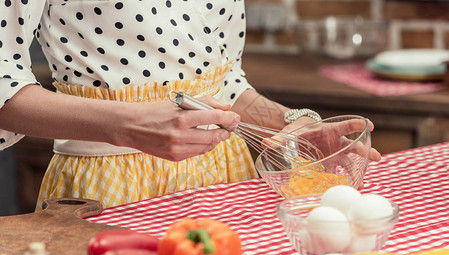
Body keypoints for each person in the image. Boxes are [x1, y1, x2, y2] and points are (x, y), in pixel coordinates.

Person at [0, 1, 381, 210]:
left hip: (224, 177)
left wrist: (292, 122)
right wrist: (125, 124)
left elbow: (223, 82)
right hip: (111, 184)